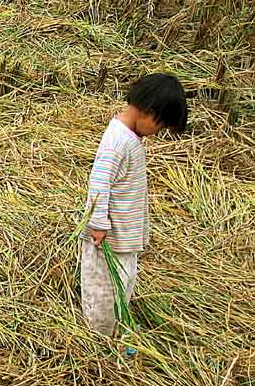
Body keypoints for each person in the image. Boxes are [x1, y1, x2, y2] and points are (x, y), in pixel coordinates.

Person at [80, 74, 188, 337]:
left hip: (123, 235)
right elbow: (99, 183)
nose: (157, 133)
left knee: (123, 283)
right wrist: (98, 224)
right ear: (149, 113)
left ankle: (119, 324)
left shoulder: (130, 136)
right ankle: (100, 336)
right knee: (103, 290)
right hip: (107, 237)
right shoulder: (117, 142)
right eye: (160, 127)